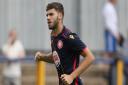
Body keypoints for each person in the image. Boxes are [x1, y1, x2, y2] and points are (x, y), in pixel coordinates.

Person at [35, 2, 95, 85]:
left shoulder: (68, 37)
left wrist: (71, 76)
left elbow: (90, 57)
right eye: (47, 15)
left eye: (51, 14)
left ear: (60, 16)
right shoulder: (53, 36)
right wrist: (42, 57)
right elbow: (57, 57)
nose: (48, 17)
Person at [102, 0, 124, 85]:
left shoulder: (109, 7)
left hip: (112, 32)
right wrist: (117, 35)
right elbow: (110, 24)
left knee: (111, 53)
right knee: (109, 52)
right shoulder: (108, 8)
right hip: (111, 32)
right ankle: (106, 73)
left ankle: (110, 73)